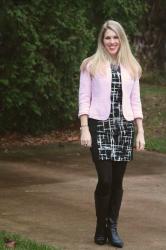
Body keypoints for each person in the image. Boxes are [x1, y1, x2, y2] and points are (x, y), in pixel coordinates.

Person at [78, 20, 145, 248]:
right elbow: (84, 98)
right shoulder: (90, 65)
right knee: (105, 180)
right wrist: (84, 127)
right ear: (102, 40)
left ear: (121, 39)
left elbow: (135, 101)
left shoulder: (132, 67)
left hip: (124, 128)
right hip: (100, 126)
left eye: (115, 37)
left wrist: (140, 132)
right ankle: (100, 226)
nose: (112, 42)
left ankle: (112, 226)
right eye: (107, 37)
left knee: (117, 182)